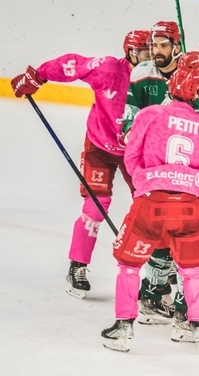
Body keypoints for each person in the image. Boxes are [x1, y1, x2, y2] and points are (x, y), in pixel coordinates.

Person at [10, 29, 152, 299]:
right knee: (96, 207)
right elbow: (72, 63)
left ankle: (155, 276)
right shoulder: (108, 69)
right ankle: (78, 265)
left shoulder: (156, 79)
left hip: (137, 152)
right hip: (99, 146)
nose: (150, 58)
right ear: (131, 53)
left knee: (151, 206)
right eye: (145, 52)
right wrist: (38, 75)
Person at [101, 67, 199, 353]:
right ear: (197, 95)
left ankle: (122, 327)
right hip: (189, 206)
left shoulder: (149, 115)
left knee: (129, 265)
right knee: (192, 270)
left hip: (150, 202)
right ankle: (198, 326)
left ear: (170, 89)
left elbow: (131, 159)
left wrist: (149, 181)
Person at [125, 24, 199, 324]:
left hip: (156, 180)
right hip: (188, 184)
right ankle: (185, 303)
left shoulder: (169, 102)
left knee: (160, 236)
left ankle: (153, 290)